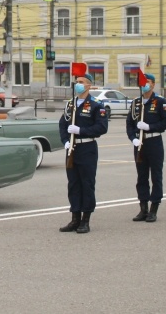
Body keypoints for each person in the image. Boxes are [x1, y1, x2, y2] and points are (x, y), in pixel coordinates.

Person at [58, 73, 108, 234]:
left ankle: (85, 220)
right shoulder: (70, 104)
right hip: (72, 149)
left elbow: (101, 127)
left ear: (89, 86)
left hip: (87, 148)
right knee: (73, 184)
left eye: (81, 82)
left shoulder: (96, 105)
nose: (77, 84)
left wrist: (81, 130)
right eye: (76, 82)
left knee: (86, 184)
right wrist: (65, 140)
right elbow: (62, 124)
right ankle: (75, 218)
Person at [125, 73, 166, 223]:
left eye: (148, 82)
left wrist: (150, 127)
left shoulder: (160, 102)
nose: (145, 84)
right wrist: (133, 138)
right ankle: (143, 208)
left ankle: (154, 208)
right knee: (141, 177)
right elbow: (129, 124)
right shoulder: (136, 103)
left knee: (156, 176)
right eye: (143, 82)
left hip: (154, 142)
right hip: (140, 144)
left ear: (153, 84)